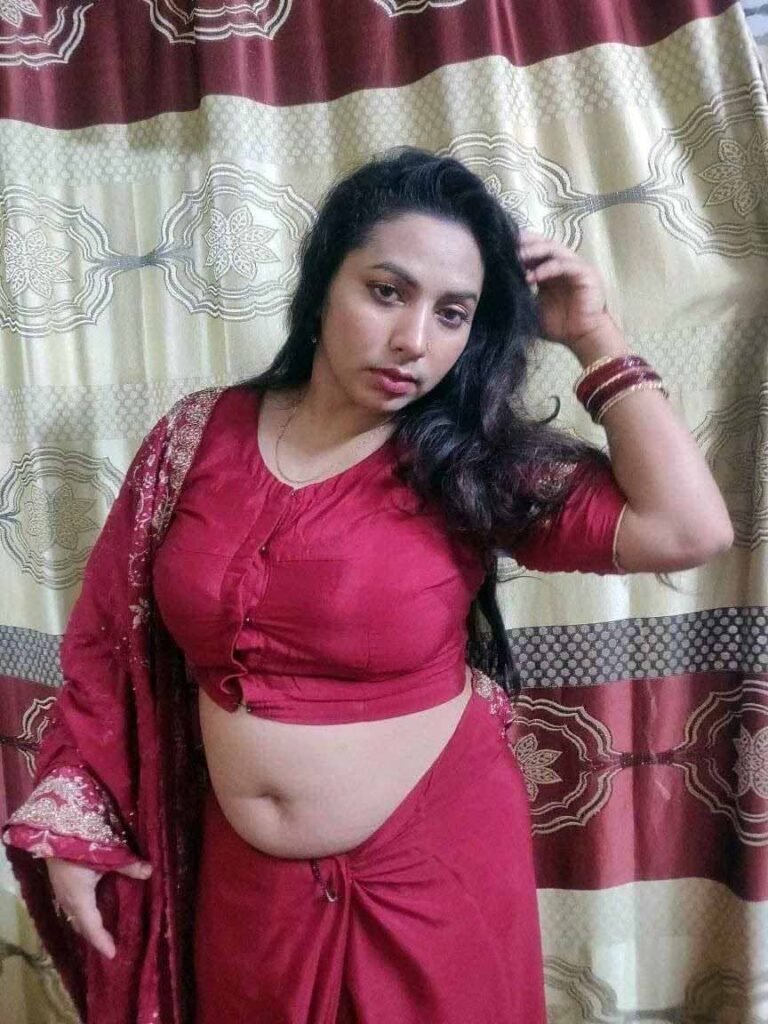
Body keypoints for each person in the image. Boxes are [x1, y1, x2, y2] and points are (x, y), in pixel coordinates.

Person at [3, 148, 733, 1024]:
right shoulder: (195, 439)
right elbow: (105, 646)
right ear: (324, 285)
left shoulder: (469, 466)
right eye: (387, 292)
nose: (414, 341)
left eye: (452, 313)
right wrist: (80, 824)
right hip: (248, 891)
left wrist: (594, 334)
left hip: (432, 873)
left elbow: (688, 529)